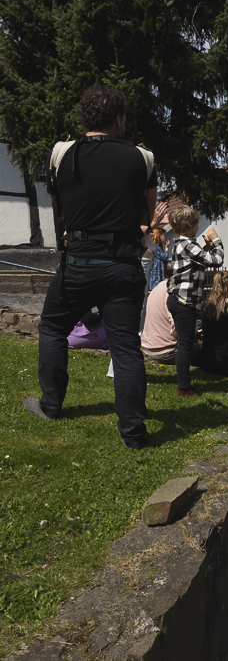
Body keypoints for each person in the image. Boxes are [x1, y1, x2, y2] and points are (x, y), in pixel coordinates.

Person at [24, 85, 156, 449]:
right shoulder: (143, 158)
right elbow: (148, 213)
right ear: (118, 118)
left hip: (78, 262)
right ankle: (133, 434)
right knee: (126, 347)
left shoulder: (61, 153)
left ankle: (51, 405)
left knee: (52, 328)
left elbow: (60, 205)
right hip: (122, 266)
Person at [167, 205, 224, 396]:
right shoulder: (188, 246)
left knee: (187, 342)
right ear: (191, 225)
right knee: (185, 344)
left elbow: (199, 260)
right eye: (197, 222)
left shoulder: (180, 244)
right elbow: (216, 261)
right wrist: (217, 241)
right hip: (184, 301)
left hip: (180, 299)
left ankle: (185, 384)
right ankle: (183, 387)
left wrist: (207, 248)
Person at [149, 226, 170, 290]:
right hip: (157, 271)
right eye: (164, 236)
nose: (165, 238)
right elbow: (164, 257)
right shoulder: (156, 247)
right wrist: (166, 248)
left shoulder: (156, 246)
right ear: (158, 236)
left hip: (157, 270)